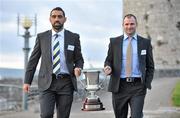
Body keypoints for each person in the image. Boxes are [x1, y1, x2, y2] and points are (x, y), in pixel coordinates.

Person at [23, 7, 84, 118]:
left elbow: (79, 59)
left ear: (65, 19)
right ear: (50, 19)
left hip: (66, 83)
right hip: (47, 82)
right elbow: (33, 60)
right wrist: (27, 81)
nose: (57, 19)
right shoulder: (42, 37)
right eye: (54, 16)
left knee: (63, 116)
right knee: (46, 114)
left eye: (60, 17)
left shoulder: (73, 37)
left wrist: (78, 67)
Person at [104, 14, 154, 118]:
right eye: (126, 24)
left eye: (132, 24)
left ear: (136, 25)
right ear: (123, 25)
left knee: (136, 116)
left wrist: (146, 82)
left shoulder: (145, 42)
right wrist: (108, 67)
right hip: (119, 86)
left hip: (138, 86)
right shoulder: (114, 42)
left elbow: (150, 66)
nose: (129, 26)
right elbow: (109, 60)